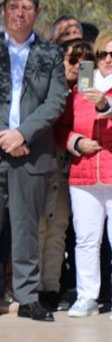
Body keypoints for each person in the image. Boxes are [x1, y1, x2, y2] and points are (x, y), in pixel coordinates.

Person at [0, 0, 68, 322]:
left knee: (26, 227)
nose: (20, 13)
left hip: (30, 150)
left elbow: (56, 101)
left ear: (36, 13)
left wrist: (22, 133)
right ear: (4, 11)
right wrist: (2, 135)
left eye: (27, 7)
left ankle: (27, 296)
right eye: (13, 7)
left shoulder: (51, 55)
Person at [60, 31, 112, 318]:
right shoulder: (81, 89)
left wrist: (105, 106)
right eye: (102, 54)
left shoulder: (99, 95)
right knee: (86, 239)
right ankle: (86, 296)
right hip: (84, 174)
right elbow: (62, 126)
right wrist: (75, 143)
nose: (107, 60)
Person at [40, 39, 93, 310]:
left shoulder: (88, 92)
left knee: (59, 228)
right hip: (42, 163)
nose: (77, 66)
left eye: (84, 61)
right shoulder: (49, 86)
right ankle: (34, 286)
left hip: (68, 168)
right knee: (39, 227)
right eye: (72, 60)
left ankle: (52, 286)